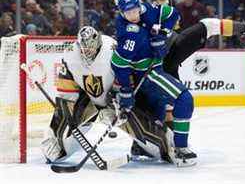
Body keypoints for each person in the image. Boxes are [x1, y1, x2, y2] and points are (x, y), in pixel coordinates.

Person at [111, 0, 245, 165]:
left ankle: (153, 144)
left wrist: (163, 31)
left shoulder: (147, 9)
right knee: (166, 103)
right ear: (120, 11)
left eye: (136, 9)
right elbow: (122, 62)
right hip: (160, 63)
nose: (135, 13)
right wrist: (125, 89)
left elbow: (172, 14)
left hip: (160, 59)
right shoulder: (129, 33)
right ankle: (156, 145)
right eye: (129, 11)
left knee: (169, 102)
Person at [41, 26, 175, 164]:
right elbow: (66, 95)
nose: (87, 52)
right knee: (63, 119)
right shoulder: (70, 55)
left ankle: (169, 148)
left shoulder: (112, 50)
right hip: (87, 99)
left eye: (90, 48)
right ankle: (55, 145)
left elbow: (124, 80)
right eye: (84, 49)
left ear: (98, 43)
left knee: (139, 126)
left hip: (114, 99)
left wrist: (117, 105)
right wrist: (66, 117)